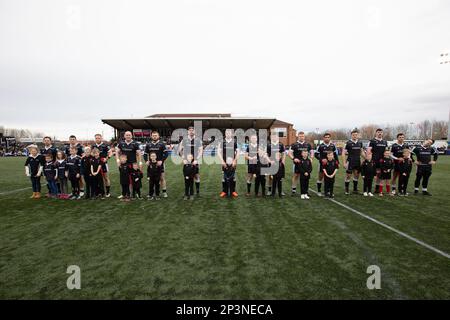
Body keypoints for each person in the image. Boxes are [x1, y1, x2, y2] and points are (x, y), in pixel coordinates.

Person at [116, 131, 142, 199]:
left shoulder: (135, 143)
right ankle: (123, 193)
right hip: (123, 164)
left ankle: (132, 193)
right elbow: (117, 152)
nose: (128, 136)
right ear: (124, 136)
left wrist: (140, 162)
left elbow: (139, 153)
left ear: (131, 136)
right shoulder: (121, 143)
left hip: (132, 164)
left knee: (132, 179)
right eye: (127, 135)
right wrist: (118, 160)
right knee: (123, 179)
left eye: (129, 135)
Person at [179, 126, 203, 197]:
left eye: (192, 130)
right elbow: (180, 150)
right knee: (187, 176)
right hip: (187, 161)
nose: (191, 131)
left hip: (195, 161)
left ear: (194, 131)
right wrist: (183, 159)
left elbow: (201, 151)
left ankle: (197, 191)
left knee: (196, 175)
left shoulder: (198, 140)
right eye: (190, 130)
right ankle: (187, 191)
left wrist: (196, 159)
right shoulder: (184, 140)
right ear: (188, 132)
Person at [289, 131, 314, 196]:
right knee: (296, 176)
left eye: (302, 136)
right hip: (297, 163)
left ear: (304, 136)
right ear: (298, 136)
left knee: (306, 177)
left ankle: (305, 191)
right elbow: (289, 153)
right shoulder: (294, 144)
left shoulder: (308, 144)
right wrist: (294, 158)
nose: (301, 137)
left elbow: (312, 152)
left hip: (306, 164)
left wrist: (311, 158)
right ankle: (293, 190)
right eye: (300, 136)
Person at [144, 131, 169, 198]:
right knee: (151, 179)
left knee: (162, 178)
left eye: (156, 135)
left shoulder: (162, 144)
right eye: (153, 135)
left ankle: (164, 192)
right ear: (151, 136)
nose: (154, 136)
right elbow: (145, 154)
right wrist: (146, 161)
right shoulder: (148, 144)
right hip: (151, 165)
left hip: (160, 164)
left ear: (158, 136)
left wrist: (161, 161)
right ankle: (151, 192)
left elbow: (166, 154)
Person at [218, 129, 239, 198]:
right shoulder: (222, 142)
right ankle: (224, 191)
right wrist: (222, 161)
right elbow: (219, 152)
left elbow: (238, 152)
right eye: (227, 133)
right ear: (225, 134)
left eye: (229, 133)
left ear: (231, 134)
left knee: (233, 177)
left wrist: (235, 161)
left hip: (233, 163)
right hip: (224, 163)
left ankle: (233, 191)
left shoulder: (234, 142)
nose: (228, 134)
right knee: (224, 177)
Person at [366, 129, 388, 194]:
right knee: (370, 175)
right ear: (376, 133)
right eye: (378, 132)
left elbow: (386, 152)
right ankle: (367, 188)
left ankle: (377, 189)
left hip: (381, 162)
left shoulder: (385, 142)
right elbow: (368, 151)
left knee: (379, 175)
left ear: (382, 133)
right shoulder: (372, 141)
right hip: (373, 161)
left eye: (381, 132)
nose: (380, 133)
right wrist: (368, 159)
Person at [342, 129, 363, 195]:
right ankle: (346, 189)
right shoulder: (347, 143)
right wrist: (344, 163)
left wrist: (366, 159)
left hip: (357, 161)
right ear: (351, 135)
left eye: (356, 135)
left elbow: (362, 152)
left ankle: (355, 189)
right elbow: (343, 153)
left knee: (356, 175)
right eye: (353, 135)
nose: (355, 136)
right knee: (348, 175)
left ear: (358, 135)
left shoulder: (360, 143)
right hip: (350, 161)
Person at [267, 132, 286, 196]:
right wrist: (269, 161)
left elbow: (284, 153)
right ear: (271, 138)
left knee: (279, 176)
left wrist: (283, 160)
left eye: (275, 136)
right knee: (270, 176)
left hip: (279, 162)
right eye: (272, 137)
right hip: (272, 163)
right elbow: (266, 155)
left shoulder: (281, 144)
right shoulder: (268, 145)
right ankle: (270, 190)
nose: (274, 138)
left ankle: (280, 191)